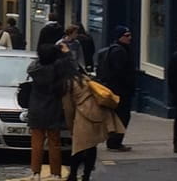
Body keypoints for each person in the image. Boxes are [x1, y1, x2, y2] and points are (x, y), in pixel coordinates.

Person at [61, 59, 125, 181]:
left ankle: (73, 175)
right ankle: (86, 174)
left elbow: (68, 107)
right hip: (98, 111)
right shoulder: (84, 78)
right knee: (91, 145)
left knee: (79, 146)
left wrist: (70, 125)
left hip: (83, 113)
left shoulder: (68, 83)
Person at [27, 43, 67, 181]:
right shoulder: (57, 70)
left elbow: (33, 65)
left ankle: (36, 173)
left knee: (36, 143)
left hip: (36, 108)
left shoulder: (35, 69)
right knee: (54, 142)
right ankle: (56, 173)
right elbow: (70, 67)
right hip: (53, 108)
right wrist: (64, 53)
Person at [101, 26, 137, 151]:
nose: (130, 38)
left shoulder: (119, 49)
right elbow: (120, 72)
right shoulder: (119, 51)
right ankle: (115, 141)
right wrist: (128, 84)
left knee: (118, 116)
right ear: (120, 37)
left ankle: (114, 141)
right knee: (122, 116)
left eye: (130, 35)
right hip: (120, 91)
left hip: (118, 89)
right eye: (126, 35)